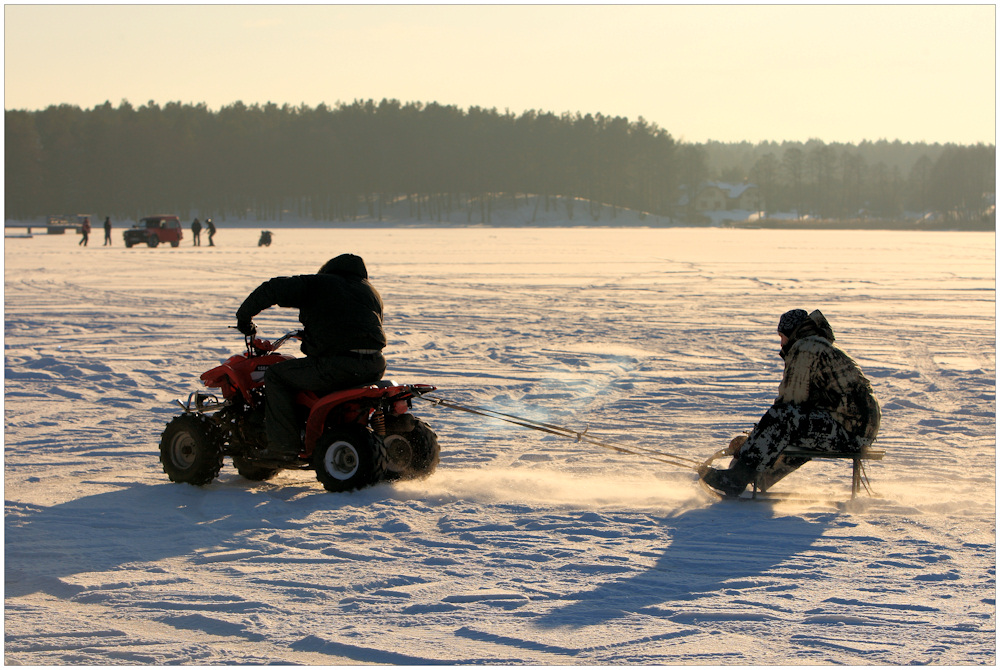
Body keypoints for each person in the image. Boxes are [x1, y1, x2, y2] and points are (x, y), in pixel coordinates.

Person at [699, 309, 881, 497]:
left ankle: (737, 478)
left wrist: (752, 441)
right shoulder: (817, 346)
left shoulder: (806, 348)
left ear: (792, 332)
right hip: (855, 431)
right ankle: (760, 477)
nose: (781, 343)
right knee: (795, 424)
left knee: (784, 417)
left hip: (848, 433)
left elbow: (791, 401)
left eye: (782, 336)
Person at [235, 254, 387, 461]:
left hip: (336, 365)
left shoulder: (320, 283)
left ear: (327, 269)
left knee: (276, 376)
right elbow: (353, 325)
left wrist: (244, 318)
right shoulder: (370, 291)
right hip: (374, 365)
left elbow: (273, 288)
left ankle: (282, 447)